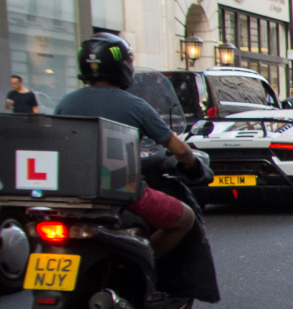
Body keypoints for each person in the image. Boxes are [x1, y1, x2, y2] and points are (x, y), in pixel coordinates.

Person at [54, 33, 200, 258]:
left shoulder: (66, 102)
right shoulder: (135, 106)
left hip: (72, 195)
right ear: (123, 66)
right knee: (185, 218)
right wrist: (193, 164)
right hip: (123, 194)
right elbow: (180, 150)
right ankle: (144, 267)